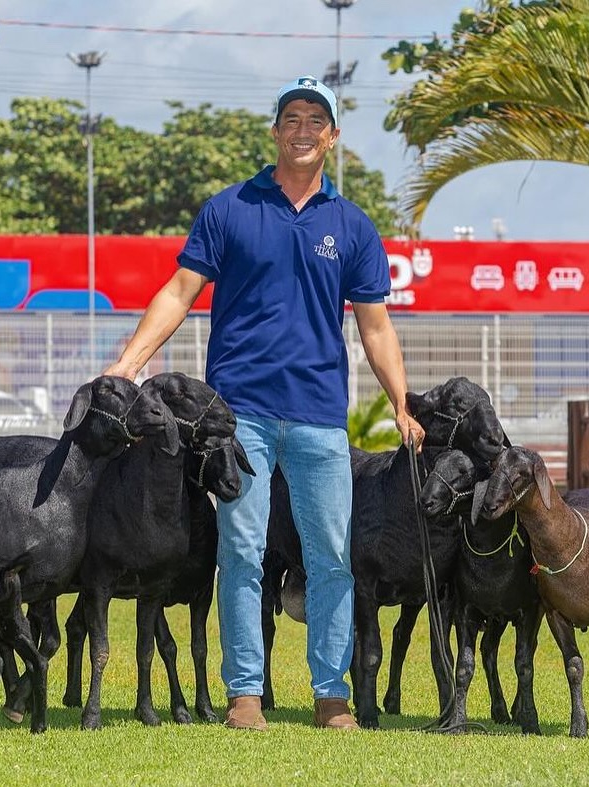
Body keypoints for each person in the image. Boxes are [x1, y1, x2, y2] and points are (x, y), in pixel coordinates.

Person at [103, 75, 424, 732]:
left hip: (319, 418)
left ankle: (332, 695)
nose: (304, 129)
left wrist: (402, 403)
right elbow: (179, 290)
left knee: (330, 554)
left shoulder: (352, 225)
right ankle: (244, 692)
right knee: (241, 550)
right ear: (276, 131)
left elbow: (376, 326)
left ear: (332, 137)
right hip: (237, 414)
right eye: (292, 118)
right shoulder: (229, 209)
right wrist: (129, 363)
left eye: (317, 120)